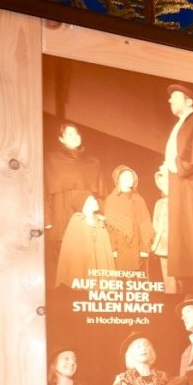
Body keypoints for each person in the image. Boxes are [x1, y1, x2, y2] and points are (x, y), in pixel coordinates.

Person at [45, 121, 101, 272]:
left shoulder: (93, 163)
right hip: (60, 217)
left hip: (85, 218)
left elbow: (100, 194)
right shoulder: (50, 160)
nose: (74, 136)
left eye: (76, 133)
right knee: (63, 265)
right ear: (61, 139)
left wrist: (101, 215)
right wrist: (46, 219)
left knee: (86, 262)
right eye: (69, 134)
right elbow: (44, 191)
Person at [162, 82, 193, 291]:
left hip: (191, 185)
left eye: (175, 97)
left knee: (192, 233)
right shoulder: (183, 122)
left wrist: (179, 166)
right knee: (182, 234)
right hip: (181, 184)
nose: (170, 100)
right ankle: (189, 286)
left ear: (188, 101)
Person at [54, 194, 113, 287]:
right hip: (84, 269)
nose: (95, 201)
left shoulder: (99, 220)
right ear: (83, 204)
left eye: (94, 199)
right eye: (91, 200)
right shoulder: (76, 221)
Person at [104, 164, 154, 271]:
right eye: (124, 177)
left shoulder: (139, 199)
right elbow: (109, 228)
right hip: (121, 247)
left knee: (138, 277)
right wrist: (113, 249)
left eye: (130, 176)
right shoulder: (112, 200)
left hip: (138, 248)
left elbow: (145, 226)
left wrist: (144, 248)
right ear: (118, 180)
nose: (128, 179)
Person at [150, 165, 170, 285]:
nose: (164, 186)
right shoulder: (159, 203)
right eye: (161, 184)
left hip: (176, 247)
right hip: (162, 245)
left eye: (166, 183)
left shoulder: (178, 202)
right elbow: (155, 225)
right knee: (166, 277)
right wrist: (154, 244)